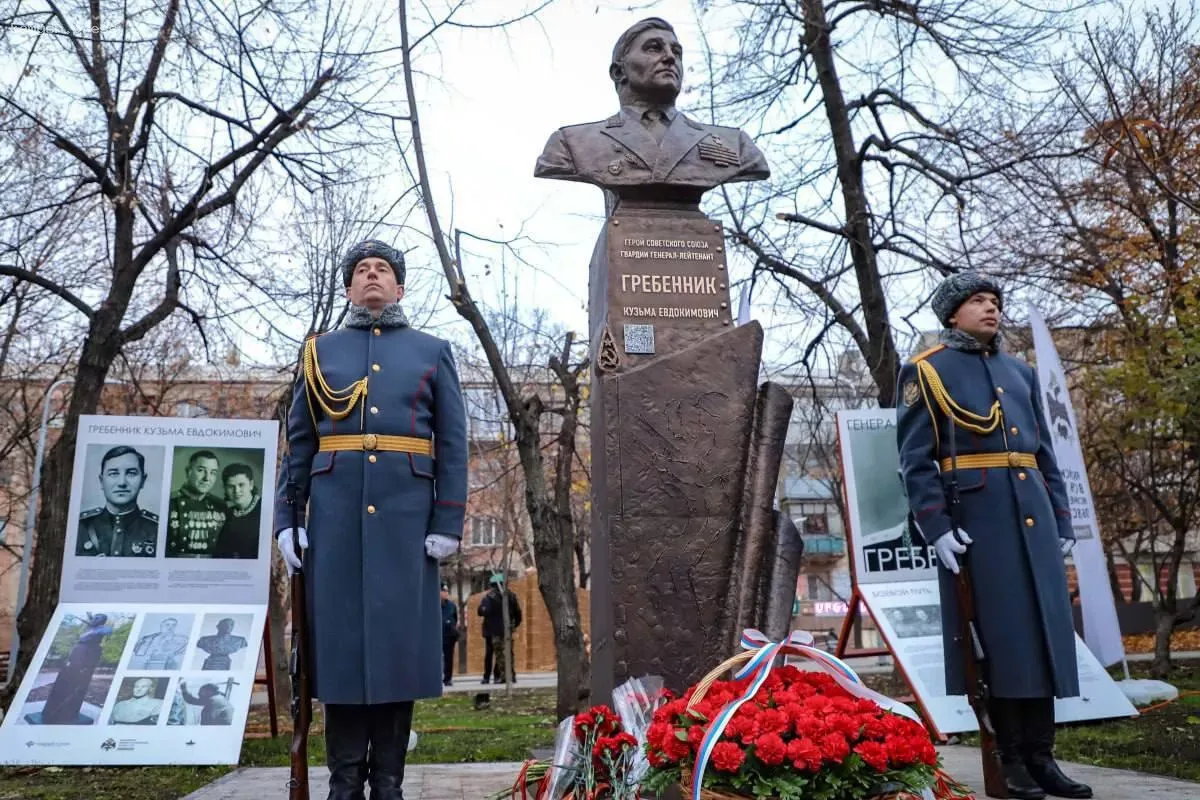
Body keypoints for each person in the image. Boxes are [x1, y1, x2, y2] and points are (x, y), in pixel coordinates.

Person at [274, 239, 468, 800]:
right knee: (339, 654)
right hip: (334, 525)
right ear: (348, 288)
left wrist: (448, 520)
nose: (372, 275)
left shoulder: (432, 351)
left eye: (383, 269)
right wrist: (289, 519)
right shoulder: (319, 353)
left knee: (396, 655)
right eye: (362, 270)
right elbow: (300, 443)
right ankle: (343, 784)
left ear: (400, 287)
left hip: (407, 525)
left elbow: (452, 443)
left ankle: (388, 783)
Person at [897, 272, 1091, 800]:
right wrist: (937, 527)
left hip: (1034, 520)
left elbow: (1043, 453)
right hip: (980, 524)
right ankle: (1011, 760)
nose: (991, 308)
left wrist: (1061, 519)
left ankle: (1042, 757)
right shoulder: (926, 371)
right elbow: (915, 460)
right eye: (978, 301)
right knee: (1001, 645)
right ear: (952, 313)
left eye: (995, 301)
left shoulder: (1019, 372)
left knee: (1042, 639)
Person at [534, 17, 768, 202]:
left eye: (676, 52)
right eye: (654, 48)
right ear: (619, 72)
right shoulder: (571, 144)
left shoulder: (735, 145)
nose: (670, 58)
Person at [77, 446, 159, 557]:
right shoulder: (81, 526)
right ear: (101, 481)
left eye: (131, 473)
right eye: (113, 473)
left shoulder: (157, 528)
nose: (122, 483)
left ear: (143, 481)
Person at [35, 613, 113, 725]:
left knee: (75, 687)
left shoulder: (102, 629)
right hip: (76, 656)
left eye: (98, 618)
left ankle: (65, 713)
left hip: (85, 659)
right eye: (94, 617)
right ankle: (52, 711)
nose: (94, 619)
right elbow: (82, 639)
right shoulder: (89, 629)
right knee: (63, 685)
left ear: (102, 621)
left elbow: (108, 631)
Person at [167, 450, 227, 557]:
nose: (207, 478)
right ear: (188, 471)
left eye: (213, 473)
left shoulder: (220, 506)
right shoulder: (170, 502)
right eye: (201, 470)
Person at [478, 574, 522, 685]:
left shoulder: (489, 597)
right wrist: (513, 625)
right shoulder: (511, 596)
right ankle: (504, 675)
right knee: (507, 653)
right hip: (506, 629)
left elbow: (482, 611)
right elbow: (518, 614)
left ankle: (488, 676)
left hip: (491, 630)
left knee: (492, 654)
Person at [212, 463, 263, 558]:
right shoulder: (228, 514)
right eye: (231, 486)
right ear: (225, 489)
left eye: (241, 485)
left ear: (251, 485)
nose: (236, 491)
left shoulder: (264, 509)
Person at [440, 583, 458, 687]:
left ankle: (448, 678)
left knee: (448, 658)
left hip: (449, 635)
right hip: (437, 635)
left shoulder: (451, 605)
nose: (446, 593)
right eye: (443, 591)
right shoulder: (433, 604)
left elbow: (455, 618)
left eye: (447, 591)